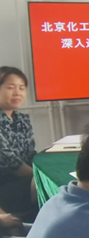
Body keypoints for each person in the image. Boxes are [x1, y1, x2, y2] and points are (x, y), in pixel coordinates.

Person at [0, 66, 37, 221]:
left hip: (24, 179)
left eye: (22, 88)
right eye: (10, 87)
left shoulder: (22, 119)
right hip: (5, 185)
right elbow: (12, 164)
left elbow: (31, 154)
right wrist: (41, 177)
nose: (17, 93)